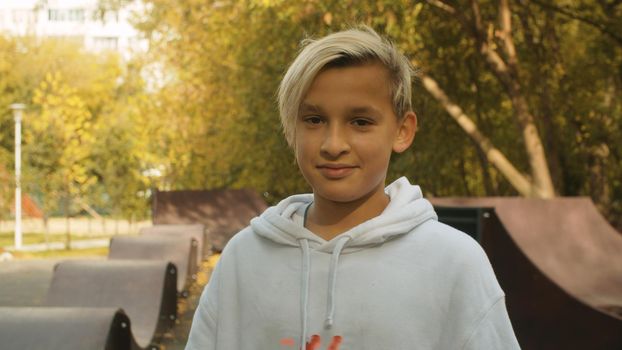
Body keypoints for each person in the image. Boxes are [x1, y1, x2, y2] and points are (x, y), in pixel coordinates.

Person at [185, 26, 521, 350]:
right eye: (314, 120)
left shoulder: (455, 262)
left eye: (360, 122)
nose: (334, 144)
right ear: (292, 128)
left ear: (403, 131)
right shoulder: (243, 259)